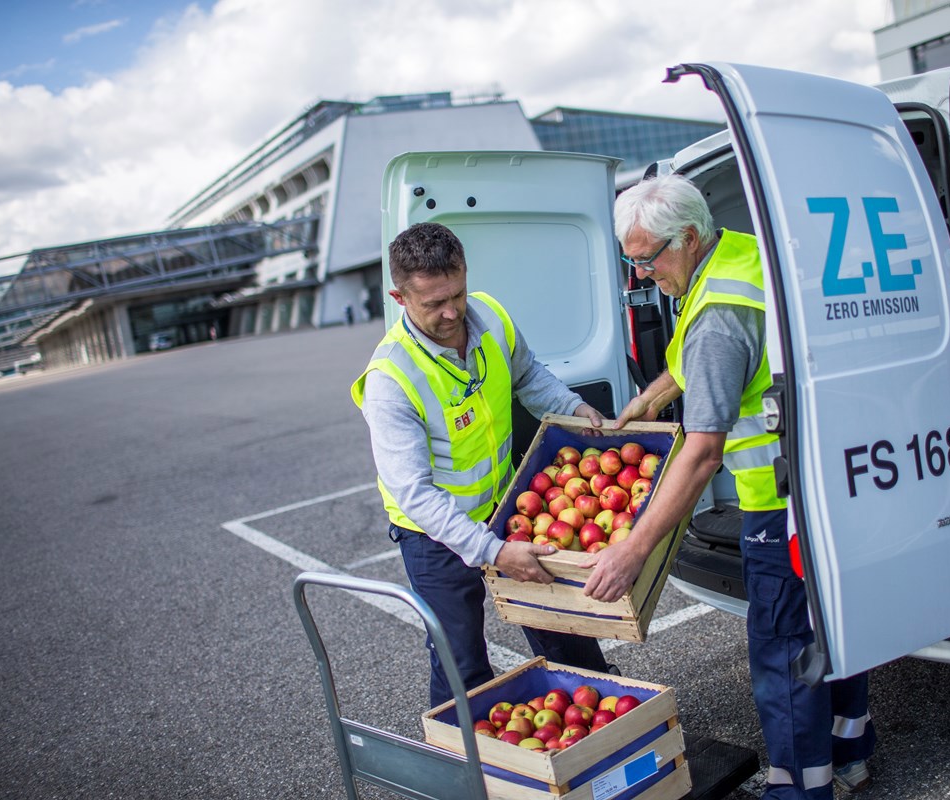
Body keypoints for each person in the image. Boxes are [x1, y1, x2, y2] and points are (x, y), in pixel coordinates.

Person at [582, 175, 876, 798]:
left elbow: (702, 450)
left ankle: (798, 787)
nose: (641, 275)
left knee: (782, 649)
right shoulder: (738, 253)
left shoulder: (715, 315)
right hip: (826, 487)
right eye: (631, 260)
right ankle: (850, 753)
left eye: (647, 258)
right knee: (834, 628)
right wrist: (646, 401)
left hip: (776, 502)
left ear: (687, 238)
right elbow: (699, 363)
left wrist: (633, 550)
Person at [351, 221, 613, 709]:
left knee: (563, 628)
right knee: (460, 663)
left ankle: (600, 727)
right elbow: (416, 495)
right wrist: (492, 552)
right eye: (433, 304)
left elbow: (528, 373)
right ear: (399, 297)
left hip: (507, 508)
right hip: (432, 535)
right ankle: (465, 763)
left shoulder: (488, 314)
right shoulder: (391, 381)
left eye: (458, 293)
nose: (453, 313)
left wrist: (574, 408)